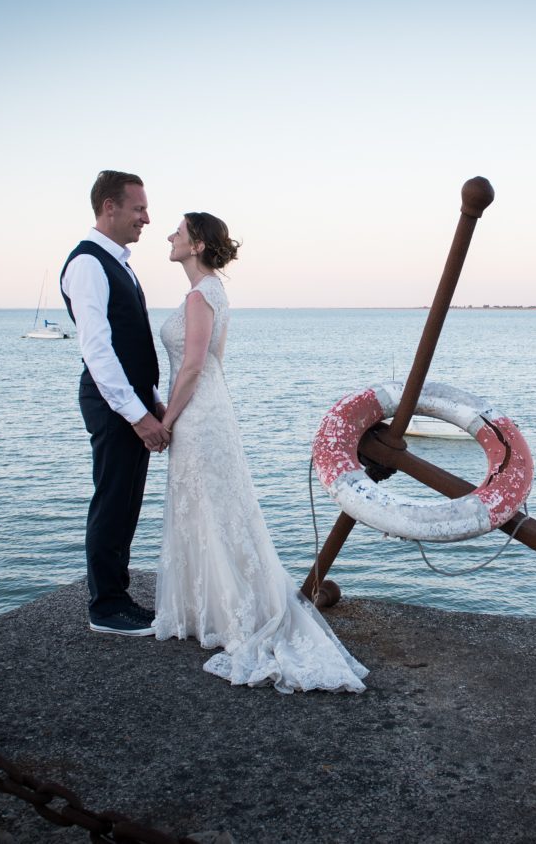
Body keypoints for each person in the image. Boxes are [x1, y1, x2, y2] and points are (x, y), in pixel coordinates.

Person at [153, 212, 368, 693]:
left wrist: (165, 420)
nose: (169, 237)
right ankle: (207, 607)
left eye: (178, 232)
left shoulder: (199, 295)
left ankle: (226, 613)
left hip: (197, 414)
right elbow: (212, 363)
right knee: (213, 509)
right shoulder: (213, 292)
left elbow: (192, 367)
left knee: (209, 508)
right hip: (211, 409)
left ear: (197, 244)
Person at [60, 170, 169, 636]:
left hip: (130, 400)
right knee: (112, 501)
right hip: (112, 403)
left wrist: (155, 403)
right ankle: (105, 606)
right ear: (110, 207)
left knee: (126, 503)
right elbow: (98, 350)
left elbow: (129, 345)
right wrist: (138, 415)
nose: (146, 218)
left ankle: (117, 596)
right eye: (138, 208)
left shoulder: (117, 261)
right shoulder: (88, 264)